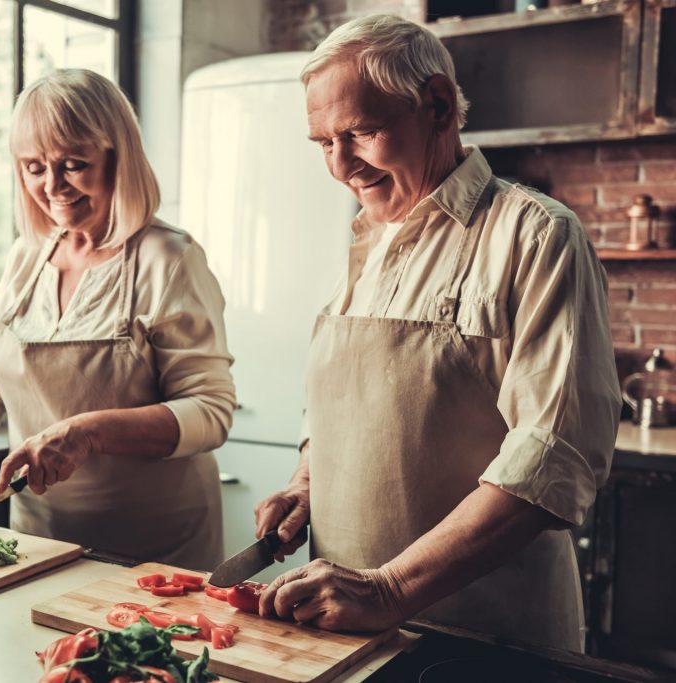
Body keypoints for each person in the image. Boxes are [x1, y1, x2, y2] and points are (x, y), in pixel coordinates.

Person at [253, 14, 621, 650]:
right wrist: (307, 479)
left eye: (361, 132)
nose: (340, 166)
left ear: (439, 106)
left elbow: (555, 453)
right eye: (322, 143)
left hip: (486, 635)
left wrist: (391, 588)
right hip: (346, 634)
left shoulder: (535, 235)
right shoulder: (365, 240)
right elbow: (352, 401)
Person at [0, 69, 236, 570]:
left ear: (118, 157)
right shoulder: (26, 259)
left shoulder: (168, 259)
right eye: (33, 167)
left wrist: (89, 431)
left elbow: (210, 413)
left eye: (73, 164)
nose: (52, 186)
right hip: (40, 543)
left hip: (158, 554)